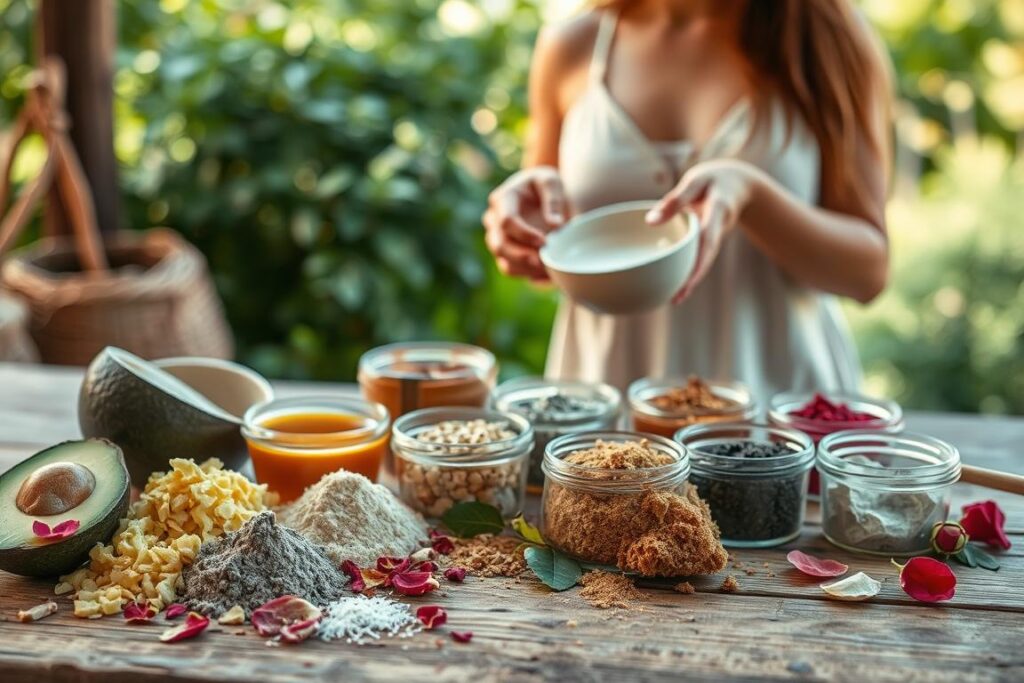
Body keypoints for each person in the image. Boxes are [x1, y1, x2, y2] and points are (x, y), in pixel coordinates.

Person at [482, 0, 891, 400]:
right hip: (605, 407)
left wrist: (753, 196)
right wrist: (523, 230)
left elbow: (868, 273)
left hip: (780, 414)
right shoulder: (572, 46)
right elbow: (545, 253)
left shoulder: (828, 38)